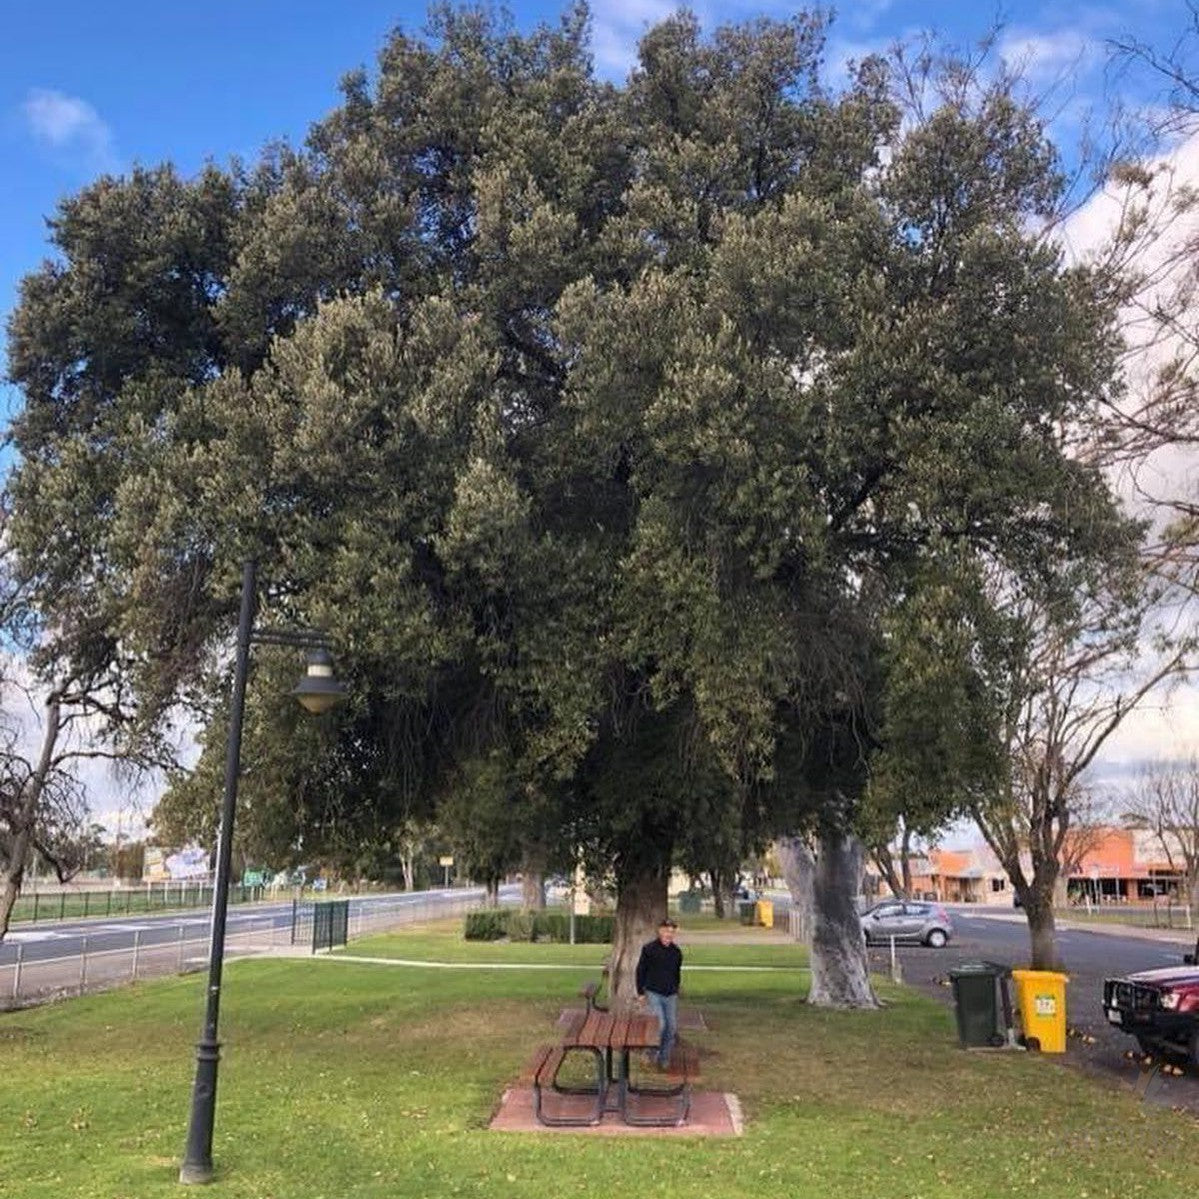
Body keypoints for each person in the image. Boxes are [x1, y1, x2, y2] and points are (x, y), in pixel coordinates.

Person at [635, 918, 683, 1069]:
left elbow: (676, 973)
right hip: (653, 992)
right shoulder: (649, 949)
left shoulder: (676, 952)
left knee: (671, 1027)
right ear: (660, 931)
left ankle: (664, 1058)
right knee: (660, 1025)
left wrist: (676, 988)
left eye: (672, 931)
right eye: (666, 930)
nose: (669, 934)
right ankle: (650, 1053)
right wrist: (640, 993)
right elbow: (640, 971)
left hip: (670, 994)